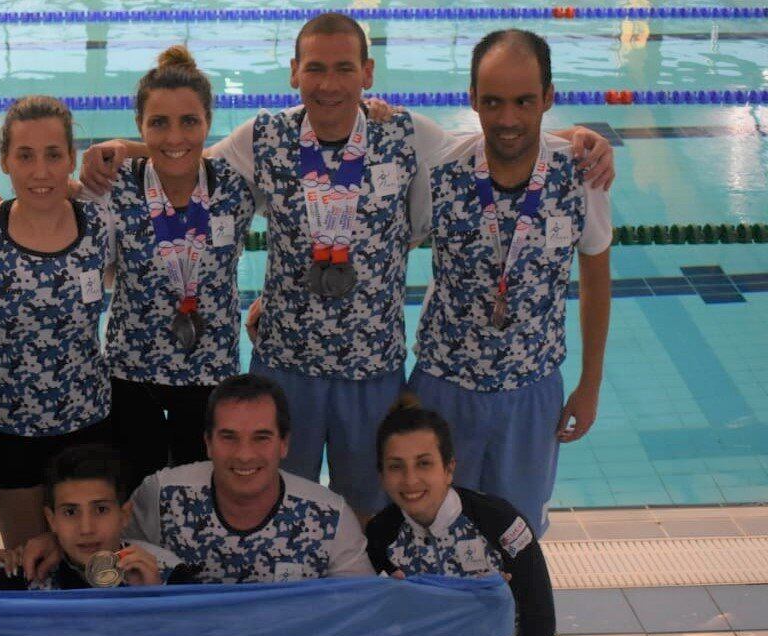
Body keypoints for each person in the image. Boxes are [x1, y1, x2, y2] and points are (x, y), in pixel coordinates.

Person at [79, 14, 614, 525]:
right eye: (315, 67)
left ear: (368, 73)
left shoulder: (406, 136)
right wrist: (117, 149)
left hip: (372, 372)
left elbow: (497, 139)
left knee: (371, 513)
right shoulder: (264, 139)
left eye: (343, 68)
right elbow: (186, 156)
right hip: (287, 369)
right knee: (274, 508)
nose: (329, 83)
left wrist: (580, 138)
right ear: (293, 72)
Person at [411, 29, 611, 538]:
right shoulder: (441, 173)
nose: (507, 119)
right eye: (493, 101)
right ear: (472, 98)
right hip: (443, 389)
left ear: (548, 97)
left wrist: (590, 384)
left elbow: (595, 280)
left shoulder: (581, 174)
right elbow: (379, 256)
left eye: (524, 101)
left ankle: (512, 622)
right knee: (430, 534)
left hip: (531, 391)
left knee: (515, 541)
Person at [365, 397, 555, 636]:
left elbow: (540, 621)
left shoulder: (500, 523)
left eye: (424, 463)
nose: (410, 480)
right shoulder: (379, 538)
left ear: (449, 468)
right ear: (382, 475)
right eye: (395, 467)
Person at [17, 374, 374, 583]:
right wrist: (55, 541)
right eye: (229, 437)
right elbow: (103, 535)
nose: (244, 455)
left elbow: (363, 614)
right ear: (207, 443)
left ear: (284, 444)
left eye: (261, 438)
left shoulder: (329, 518)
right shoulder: (163, 496)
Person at [0, 96, 113, 550]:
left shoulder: (101, 225)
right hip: (6, 429)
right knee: (27, 563)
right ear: (4, 162)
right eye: (25, 156)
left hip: (88, 424)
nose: (40, 172)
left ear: (71, 160)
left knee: (88, 565)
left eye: (53, 155)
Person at [93, 45, 257, 495]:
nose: (174, 137)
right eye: (158, 123)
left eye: (190, 121)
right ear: (139, 128)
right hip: (132, 374)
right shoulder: (114, 187)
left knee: (203, 502)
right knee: (133, 503)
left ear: (208, 123)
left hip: (210, 375)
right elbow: (45, 202)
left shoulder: (236, 184)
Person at [0, 445, 196, 590]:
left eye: (101, 509)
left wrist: (154, 601)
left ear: (124, 515)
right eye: (70, 512)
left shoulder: (170, 576)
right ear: (51, 520)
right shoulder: (21, 577)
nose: (86, 528)